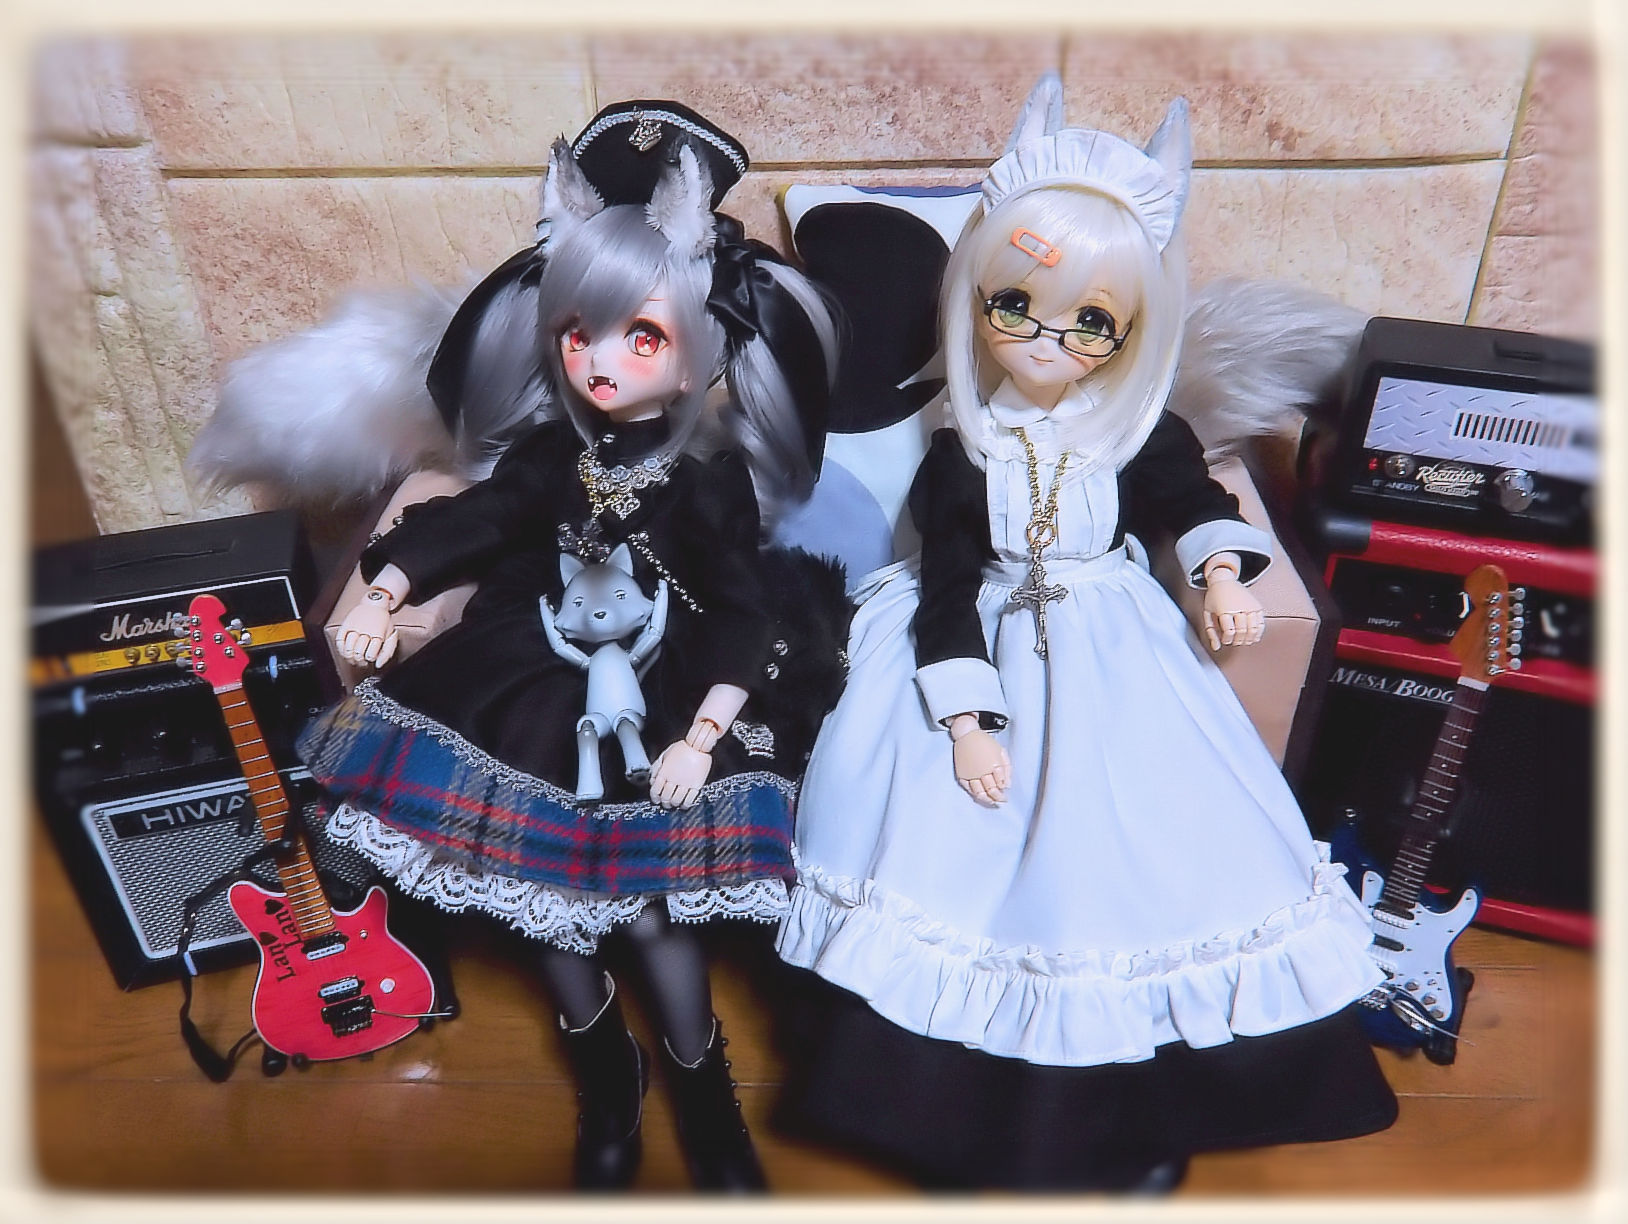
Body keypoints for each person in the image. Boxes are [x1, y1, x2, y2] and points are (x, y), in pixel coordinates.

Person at [775, 75, 1397, 1191]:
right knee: (955, 859)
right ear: (975, 299)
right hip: (986, 640)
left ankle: (1143, 1113)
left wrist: (1218, 571)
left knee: (1155, 858)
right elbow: (947, 583)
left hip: (1118, 644)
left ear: (1131, 330)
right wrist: (967, 717)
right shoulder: (962, 450)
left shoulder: (1135, 433)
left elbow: (1190, 502)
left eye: (1091, 322)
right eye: (1015, 306)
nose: (1049, 339)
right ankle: (958, 1122)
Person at [296, 103, 844, 1192]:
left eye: (640, 337)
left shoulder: (708, 481)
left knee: (652, 916)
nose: (599, 361)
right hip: (531, 673)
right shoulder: (552, 455)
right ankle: (607, 1075)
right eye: (577, 332)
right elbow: (477, 520)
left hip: (669, 687)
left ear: (693, 359)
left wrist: (701, 736)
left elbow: (742, 609)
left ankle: (700, 1082)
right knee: (537, 899)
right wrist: (386, 587)